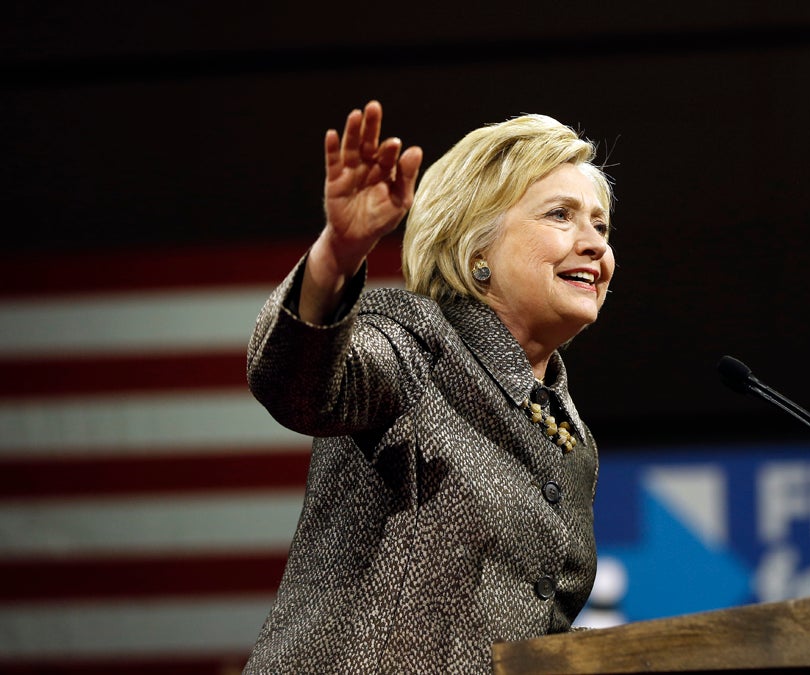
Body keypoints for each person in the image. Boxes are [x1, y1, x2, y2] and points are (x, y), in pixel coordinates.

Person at [242, 100, 615, 674]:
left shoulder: (573, 443)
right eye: (560, 215)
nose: (594, 244)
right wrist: (337, 257)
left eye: (600, 224)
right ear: (477, 247)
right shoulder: (416, 347)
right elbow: (296, 382)